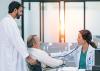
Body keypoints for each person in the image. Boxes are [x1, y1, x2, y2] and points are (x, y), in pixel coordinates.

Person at [0, 1, 36, 71]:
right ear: (15, 10)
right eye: (20, 11)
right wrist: (28, 57)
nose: (21, 14)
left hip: (8, 58)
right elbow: (17, 41)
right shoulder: (9, 22)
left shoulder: (4, 21)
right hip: (11, 59)